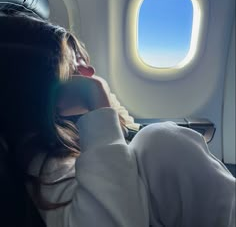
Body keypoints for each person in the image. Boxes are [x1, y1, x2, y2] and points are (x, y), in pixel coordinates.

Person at [0, 12, 235, 227]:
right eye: (73, 69)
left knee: (160, 140)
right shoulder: (45, 167)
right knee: (161, 140)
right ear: (36, 90)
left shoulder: (67, 134)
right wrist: (98, 104)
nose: (90, 73)